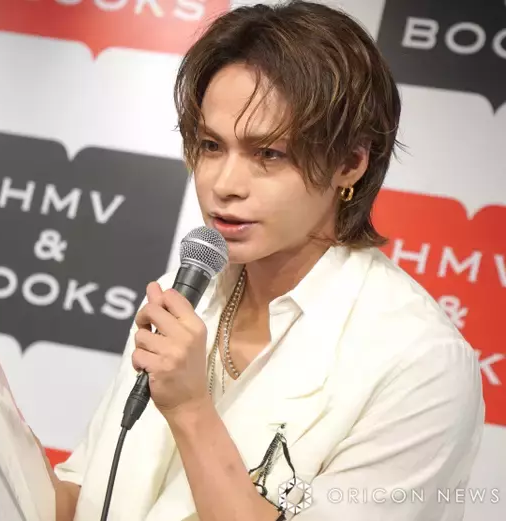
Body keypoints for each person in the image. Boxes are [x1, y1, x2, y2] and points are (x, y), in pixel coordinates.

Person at [41, 1, 485, 520]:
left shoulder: (420, 363)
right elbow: (88, 496)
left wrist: (191, 410)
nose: (224, 184)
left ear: (350, 164)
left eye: (268, 154)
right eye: (211, 145)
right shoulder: (184, 295)